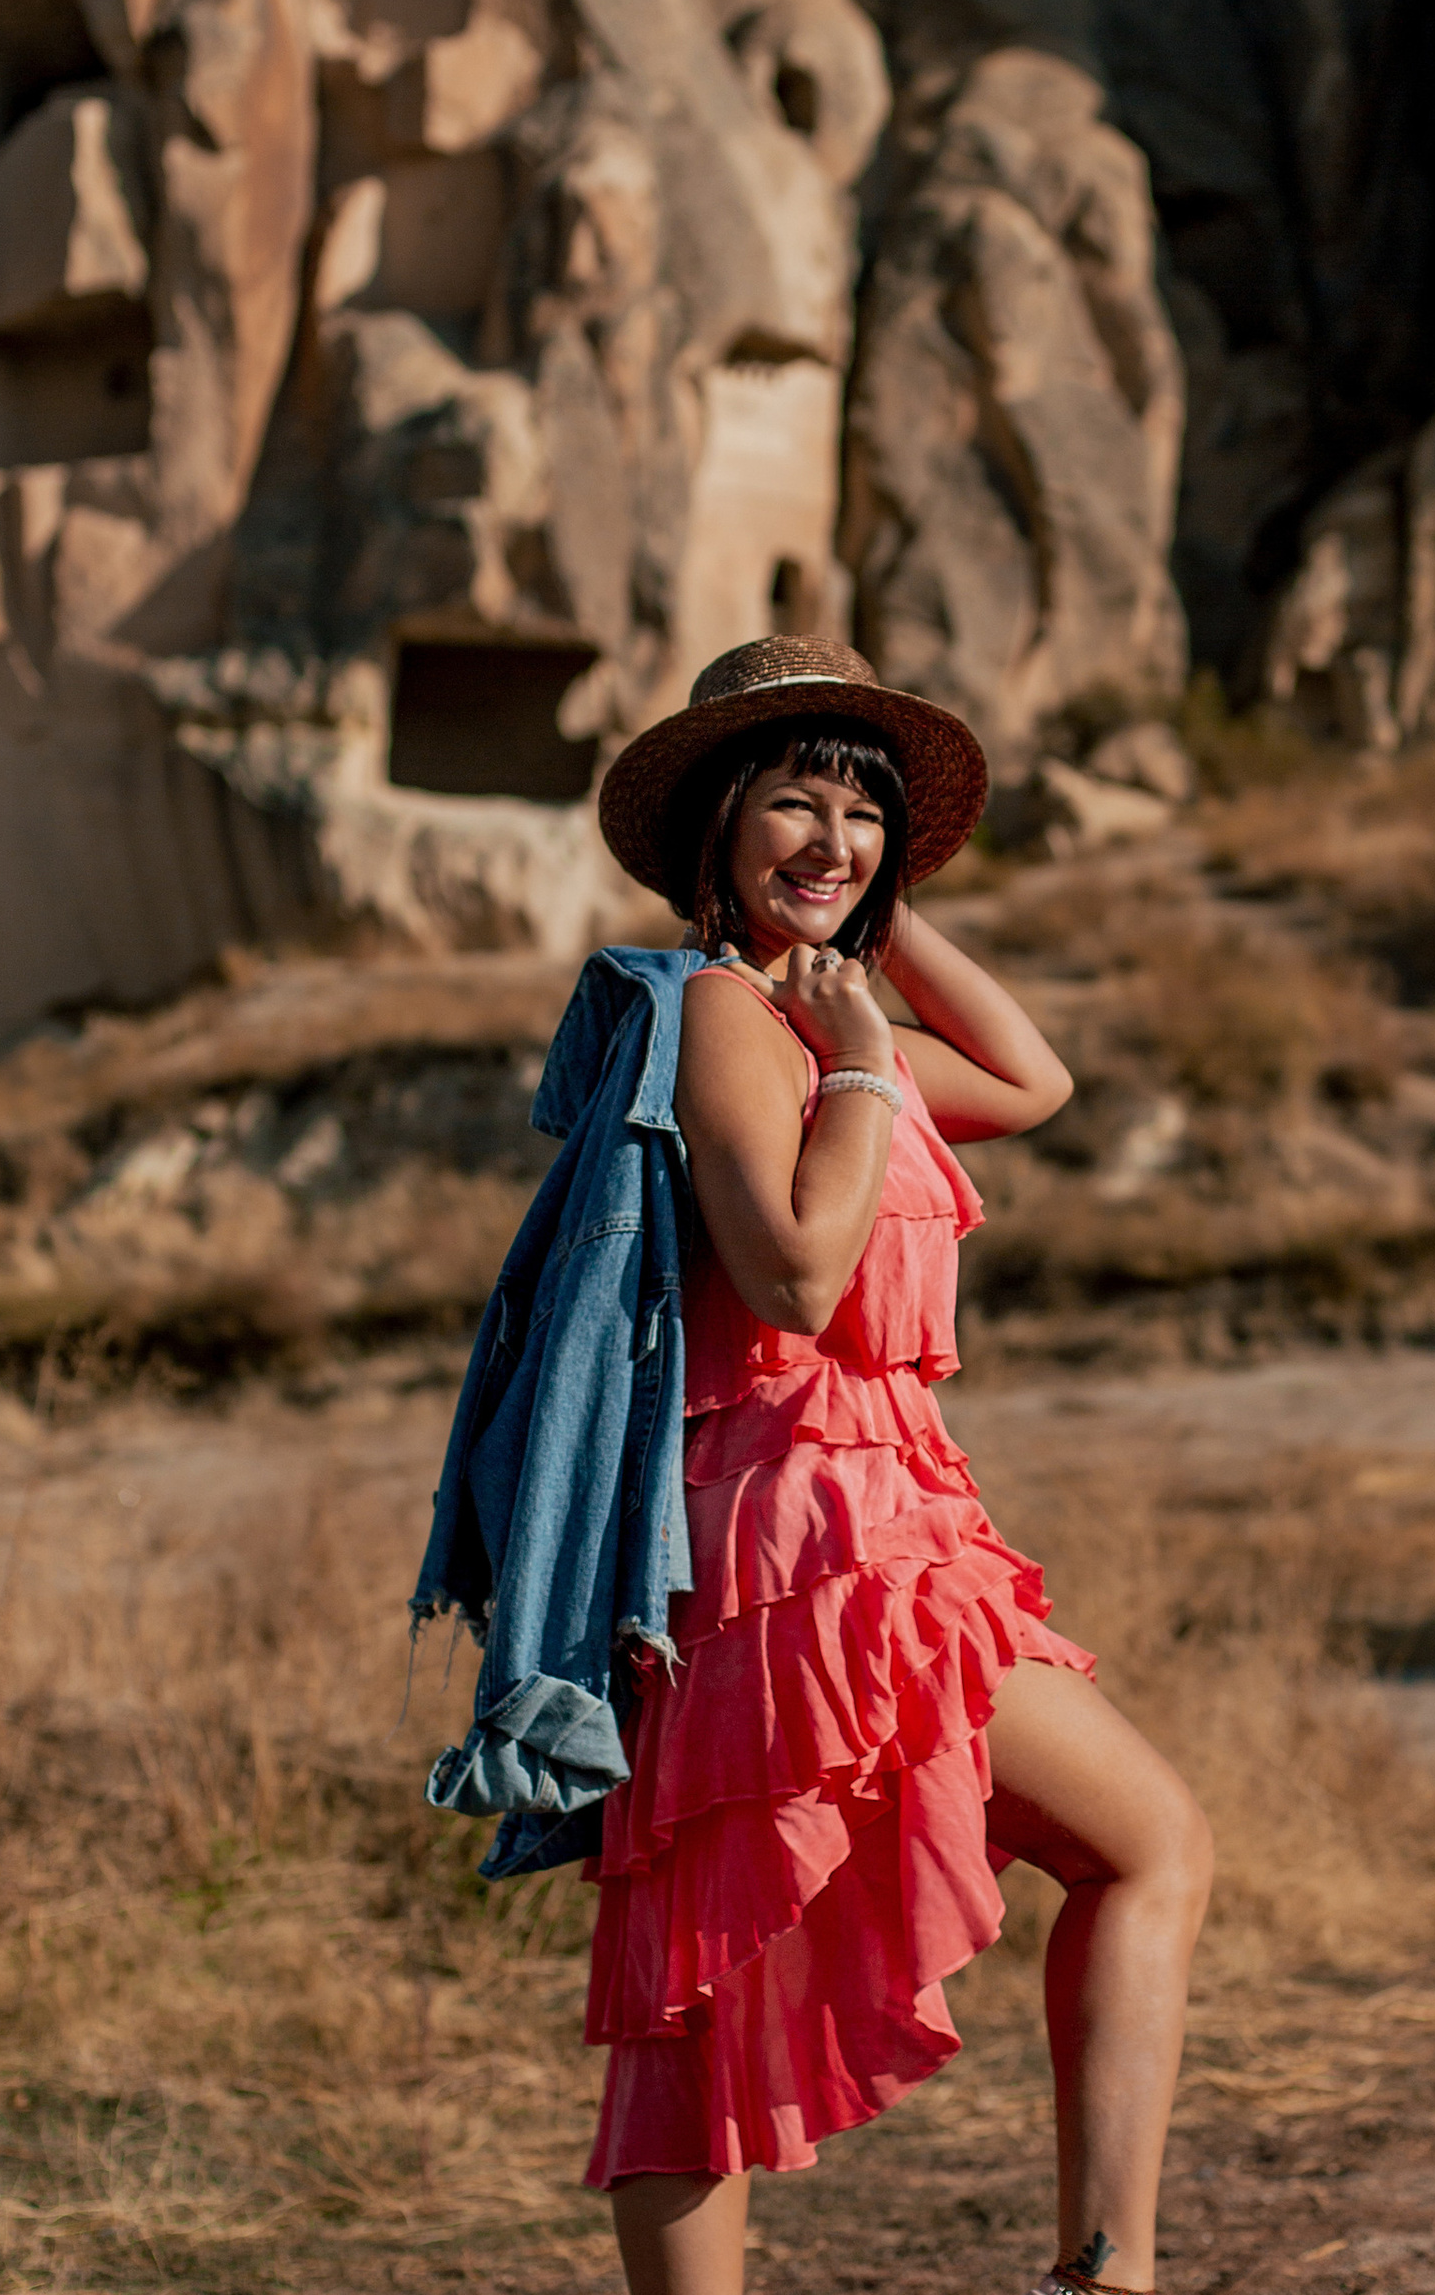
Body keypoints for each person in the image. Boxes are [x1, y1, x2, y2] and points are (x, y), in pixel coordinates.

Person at [585, 637, 1214, 2295]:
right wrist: (856, 1052)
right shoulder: (727, 1017)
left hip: (877, 1513)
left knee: (719, 1957)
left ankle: (1107, 2272)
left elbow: (1033, 1078)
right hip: (805, 1520)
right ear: (715, 827)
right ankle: (1109, 2278)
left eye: (863, 815)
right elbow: (793, 1275)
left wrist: (873, 928)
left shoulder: (816, 1009)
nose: (830, 838)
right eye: (791, 801)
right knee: (714, 1962)